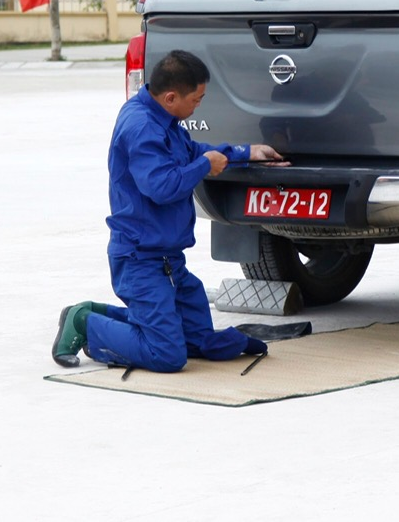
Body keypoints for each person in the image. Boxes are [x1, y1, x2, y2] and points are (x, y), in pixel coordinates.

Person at [52, 50, 289, 372]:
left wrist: (245, 153)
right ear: (171, 96)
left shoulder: (165, 120)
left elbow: (190, 151)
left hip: (169, 261)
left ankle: (118, 319)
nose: (198, 106)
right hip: (141, 260)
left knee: (200, 343)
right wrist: (206, 165)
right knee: (168, 355)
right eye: (196, 99)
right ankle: (85, 323)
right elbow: (161, 187)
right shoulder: (141, 127)